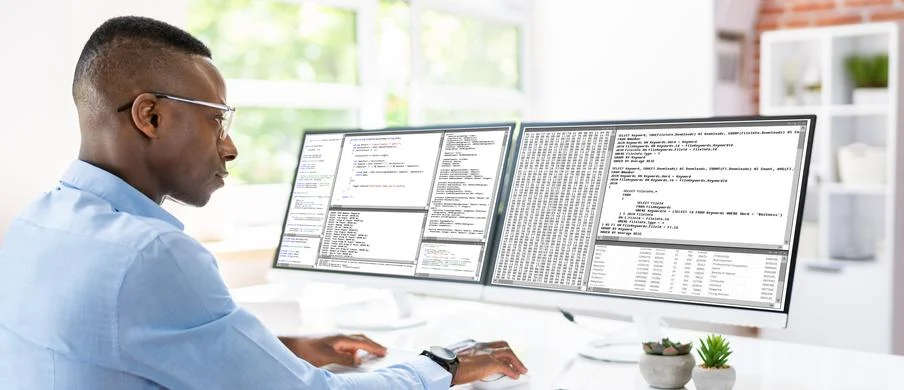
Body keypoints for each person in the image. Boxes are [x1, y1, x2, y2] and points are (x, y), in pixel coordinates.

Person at [0, 15, 527, 389]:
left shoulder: (37, 224)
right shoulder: (150, 253)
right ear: (150, 117)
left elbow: (124, 342)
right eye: (216, 119)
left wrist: (285, 348)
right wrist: (445, 363)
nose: (230, 146)